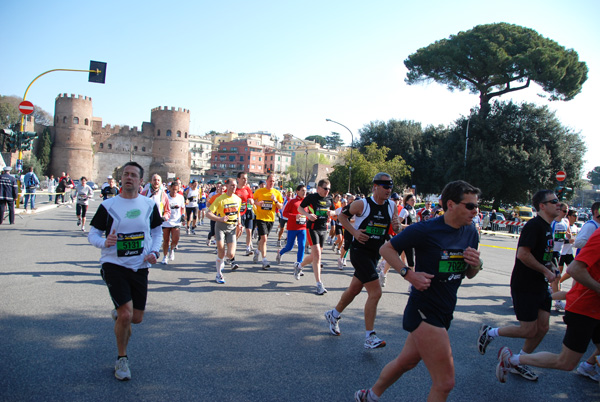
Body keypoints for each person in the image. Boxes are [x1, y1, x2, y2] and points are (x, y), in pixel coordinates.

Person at [354, 180, 482, 402]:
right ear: (451, 204)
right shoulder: (426, 229)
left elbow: (469, 274)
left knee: (406, 362)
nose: (475, 211)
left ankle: (370, 395)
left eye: (476, 206)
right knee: (445, 382)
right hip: (424, 309)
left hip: (445, 309)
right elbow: (387, 248)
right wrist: (409, 274)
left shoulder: (471, 233)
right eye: (470, 206)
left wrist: (476, 265)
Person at [87, 161, 163, 381]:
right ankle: (122, 359)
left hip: (140, 266)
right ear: (121, 179)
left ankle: (120, 314)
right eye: (126, 174)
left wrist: (155, 252)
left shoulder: (148, 205)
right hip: (114, 266)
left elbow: (157, 232)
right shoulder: (109, 206)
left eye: (133, 175)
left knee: (136, 318)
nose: (129, 178)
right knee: (126, 314)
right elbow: (93, 234)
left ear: (141, 181)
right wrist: (104, 242)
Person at [495, 229, 600, 385]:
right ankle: (511, 360)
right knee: (566, 362)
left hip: (595, 308)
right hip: (584, 309)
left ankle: (588, 367)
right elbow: (575, 269)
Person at [477, 190, 561, 381]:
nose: (559, 204)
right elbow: (523, 254)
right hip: (526, 284)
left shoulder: (549, 226)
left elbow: (545, 255)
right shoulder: (534, 226)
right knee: (528, 330)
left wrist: (552, 268)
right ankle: (489, 332)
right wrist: (545, 271)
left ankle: (517, 361)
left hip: (540, 284)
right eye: (554, 201)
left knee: (543, 328)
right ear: (542, 205)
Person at [325, 173, 400, 349]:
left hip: (375, 253)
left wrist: (396, 226)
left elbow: (394, 227)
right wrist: (354, 232)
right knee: (376, 292)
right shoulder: (362, 204)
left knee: (354, 289)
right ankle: (369, 336)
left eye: (390, 187)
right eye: (385, 186)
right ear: (375, 187)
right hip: (359, 252)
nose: (388, 190)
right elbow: (341, 216)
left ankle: (333, 314)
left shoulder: (392, 206)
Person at [297, 179, 335, 294]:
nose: (327, 191)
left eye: (329, 189)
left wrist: (331, 214)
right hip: (312, 228)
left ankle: (299, 266)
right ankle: (319, 284)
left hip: (323, 229)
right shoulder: (311, 197)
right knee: (317, 255)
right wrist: (308, 215)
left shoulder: (329, 199)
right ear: (318, 188)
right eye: (325, 188)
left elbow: (333, 212)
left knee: (314, 256)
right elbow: (300, 208)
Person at [206, 178, 242, 283]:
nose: (234, 187)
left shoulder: (237, 199)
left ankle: (222, 260)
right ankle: (219, 274)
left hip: (232, 227)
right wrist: (219, 219)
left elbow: (238, 212)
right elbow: (208, 213)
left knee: (231, 254)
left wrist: (239, 224)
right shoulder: (220, 199)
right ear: (226, 186)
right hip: (220, 226)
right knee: (221, 251)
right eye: (232, 185)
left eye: (235, 185)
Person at [252, 174, 284, 269]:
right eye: (270, 181)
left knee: (263, 240)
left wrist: (275, 201)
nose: (272, 183)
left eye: (273, 181)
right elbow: (252, 201)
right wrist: (258, 203)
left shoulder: (277, 193)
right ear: (266, 181)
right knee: (264, 239)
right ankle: (264, 260)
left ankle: (257, 252)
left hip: (270, 219)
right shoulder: (259, 191)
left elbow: (280, 206)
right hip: (260, 218)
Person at [275, 185, 307, 276]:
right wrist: (294, 216)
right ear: (297, 191)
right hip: (292, 227)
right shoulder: (292, 201)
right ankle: (280, 252)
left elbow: (309, 213)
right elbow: (285, 213)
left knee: (302, 246)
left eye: (305, 191)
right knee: (289, 247)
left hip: (302, 228)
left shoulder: (306, 202)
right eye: (302, 191)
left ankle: (298, 266)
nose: (304, 192)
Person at [161, 181, 185, 264]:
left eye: (176, 190)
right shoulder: (165, 197)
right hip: (166, 221)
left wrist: (183, 215)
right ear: (170, 188)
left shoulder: (180, 197)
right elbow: (161, 208)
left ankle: (172, 250)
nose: (174, 191)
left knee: (175, 239)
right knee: (166, 240)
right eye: (173, 189)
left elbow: (182, 207)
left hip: (176, 221)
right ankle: (165, 256)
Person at [234, 172, 255, 256]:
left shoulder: (247, 188)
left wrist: (252, 201)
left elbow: (251, 198)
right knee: (239, 231)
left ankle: (248, 248)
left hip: (248, 211)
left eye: (246, 178)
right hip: (238, 213)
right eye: (243, 178)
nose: (245, 180)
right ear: (238, 179)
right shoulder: (234, 189)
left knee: (249, 231)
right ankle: (232, 244)